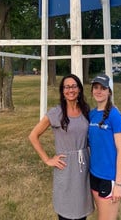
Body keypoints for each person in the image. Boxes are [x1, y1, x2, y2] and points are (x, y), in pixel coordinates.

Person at [28, 74, 94, 220]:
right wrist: (47, 159)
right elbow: (33, 136)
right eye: (67, 87)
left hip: (83, 167)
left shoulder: (85, 110)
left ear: (79, 89)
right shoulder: (56, 112)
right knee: (65, 212)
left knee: (81, 212)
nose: (71, 90)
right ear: (62, 91)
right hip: (65, 167)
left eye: (74, 86)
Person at [88, 74, 121, 220]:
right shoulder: (91, 115)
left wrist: (118, 184)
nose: (99, 91)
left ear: (109, 91)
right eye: (96, 87)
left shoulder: (115, 116)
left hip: (109, 178)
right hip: (94, 175)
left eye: (103, 88)